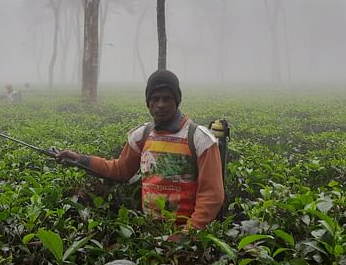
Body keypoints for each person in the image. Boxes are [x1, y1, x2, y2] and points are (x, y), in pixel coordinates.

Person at [58, 70, 225, 229]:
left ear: (177, 100)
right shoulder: (142, 135)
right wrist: (80, 159)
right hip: (149, 230)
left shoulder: (200, 138)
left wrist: (188, 235)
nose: (160, 105)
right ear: (148, 102)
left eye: (167, 98)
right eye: (155, 98)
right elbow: (120, 169)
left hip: (187, 237)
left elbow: (212, 194)